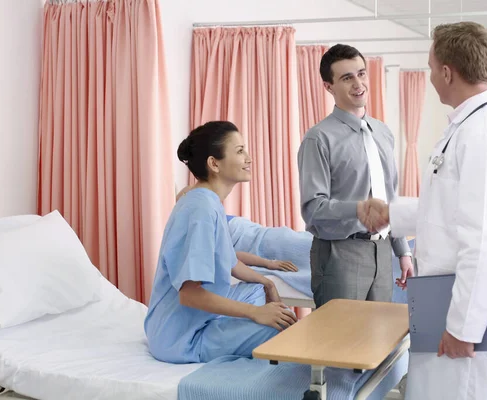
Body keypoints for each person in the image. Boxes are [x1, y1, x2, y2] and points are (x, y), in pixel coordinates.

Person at [366, 22, 487, 400]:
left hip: (464, 317)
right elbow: (452, 209)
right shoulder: (468, 126)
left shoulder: (483, 133)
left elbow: (485, 238)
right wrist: (393, 213)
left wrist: (464, 328)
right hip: (444, 298)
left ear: (448, 72)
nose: (431, 77)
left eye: (431, 67)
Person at [144, 121, 297, 364]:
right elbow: (189, 295)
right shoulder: (201, 209)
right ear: (214, 163)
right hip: (181, 338)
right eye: (239, 151)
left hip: (191, 321)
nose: (249, 158)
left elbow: (230, 260)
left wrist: (266, 281)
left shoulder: (206, 199)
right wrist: (256, 313)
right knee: (283, 327)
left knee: (262, 296)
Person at [297, 43, 413, 308]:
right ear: (329, 86)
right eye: (347, 78)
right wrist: (358, 209)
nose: (358, 83)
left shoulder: (383, 133)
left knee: (379, 342)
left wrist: (403, 252)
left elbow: (390, 198)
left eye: (361, 74)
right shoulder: (319, 138)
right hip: (340, 253)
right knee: (339, 343)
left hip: (383, 253)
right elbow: (313, 208)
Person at [176, 185, 299, 273]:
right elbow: (231, 255)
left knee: (291, 237)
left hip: (260, 231)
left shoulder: (211, 214)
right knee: (294, 242)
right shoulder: (200, 232)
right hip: (257, 240)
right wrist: (268, 263)